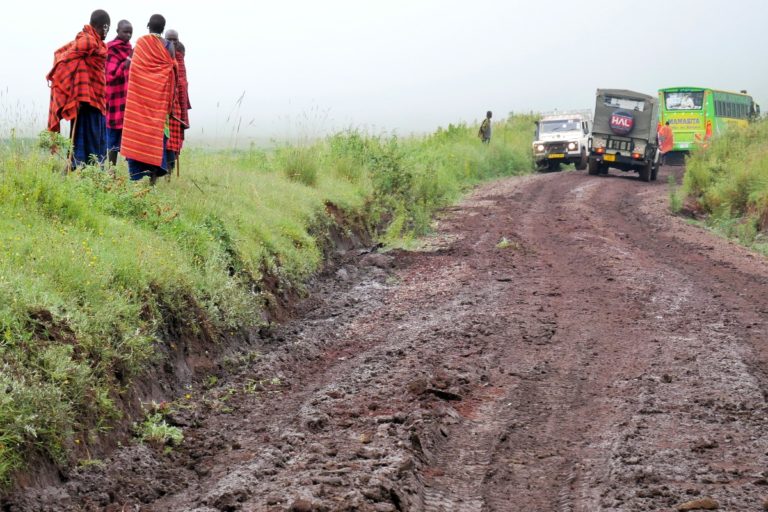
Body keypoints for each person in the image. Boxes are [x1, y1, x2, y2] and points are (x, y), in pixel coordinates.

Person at [47, 9, 111, 168]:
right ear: (100, 26)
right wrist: (73, 87)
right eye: (106, 27)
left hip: (96, 101)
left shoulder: (96, 43)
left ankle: (90, 173)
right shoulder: (88, 41)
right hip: (85, 102)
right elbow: (65, 59)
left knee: (94, 141)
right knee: (86, 141)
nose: (107, 32)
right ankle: (80, 171)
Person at [121, 14, 177, 184]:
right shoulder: (168, 46)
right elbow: (172, 73)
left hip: (140, 100)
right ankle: (153, 180)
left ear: (148, 26)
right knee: (156, 138)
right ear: (163, 28)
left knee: (138, 136)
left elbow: (131, 67)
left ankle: (135, 178)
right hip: (159, 103)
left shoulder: (141, 43)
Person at [105, 20, 133, 167]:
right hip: (114, 98)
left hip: (127, 99)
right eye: (125, 32)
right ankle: (111, 170)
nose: (128, 35)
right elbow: (110, 75)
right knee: (113, 136)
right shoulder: (110, 49)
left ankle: (132, 172)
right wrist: (127, 62)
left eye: (130, 32)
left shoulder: (130, 49)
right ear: (117, 31)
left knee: (128, 136)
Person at [164, 29, 191, 175]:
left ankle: (169, 173)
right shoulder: (160, 54)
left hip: (177, 107)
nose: (172, 43)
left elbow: (182, 84)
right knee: (165, 141)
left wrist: (182, 112)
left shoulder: (180, 58)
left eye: (175, 40)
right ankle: (164, 172)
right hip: (163, 105)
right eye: (169, 39)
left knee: (173, 143)